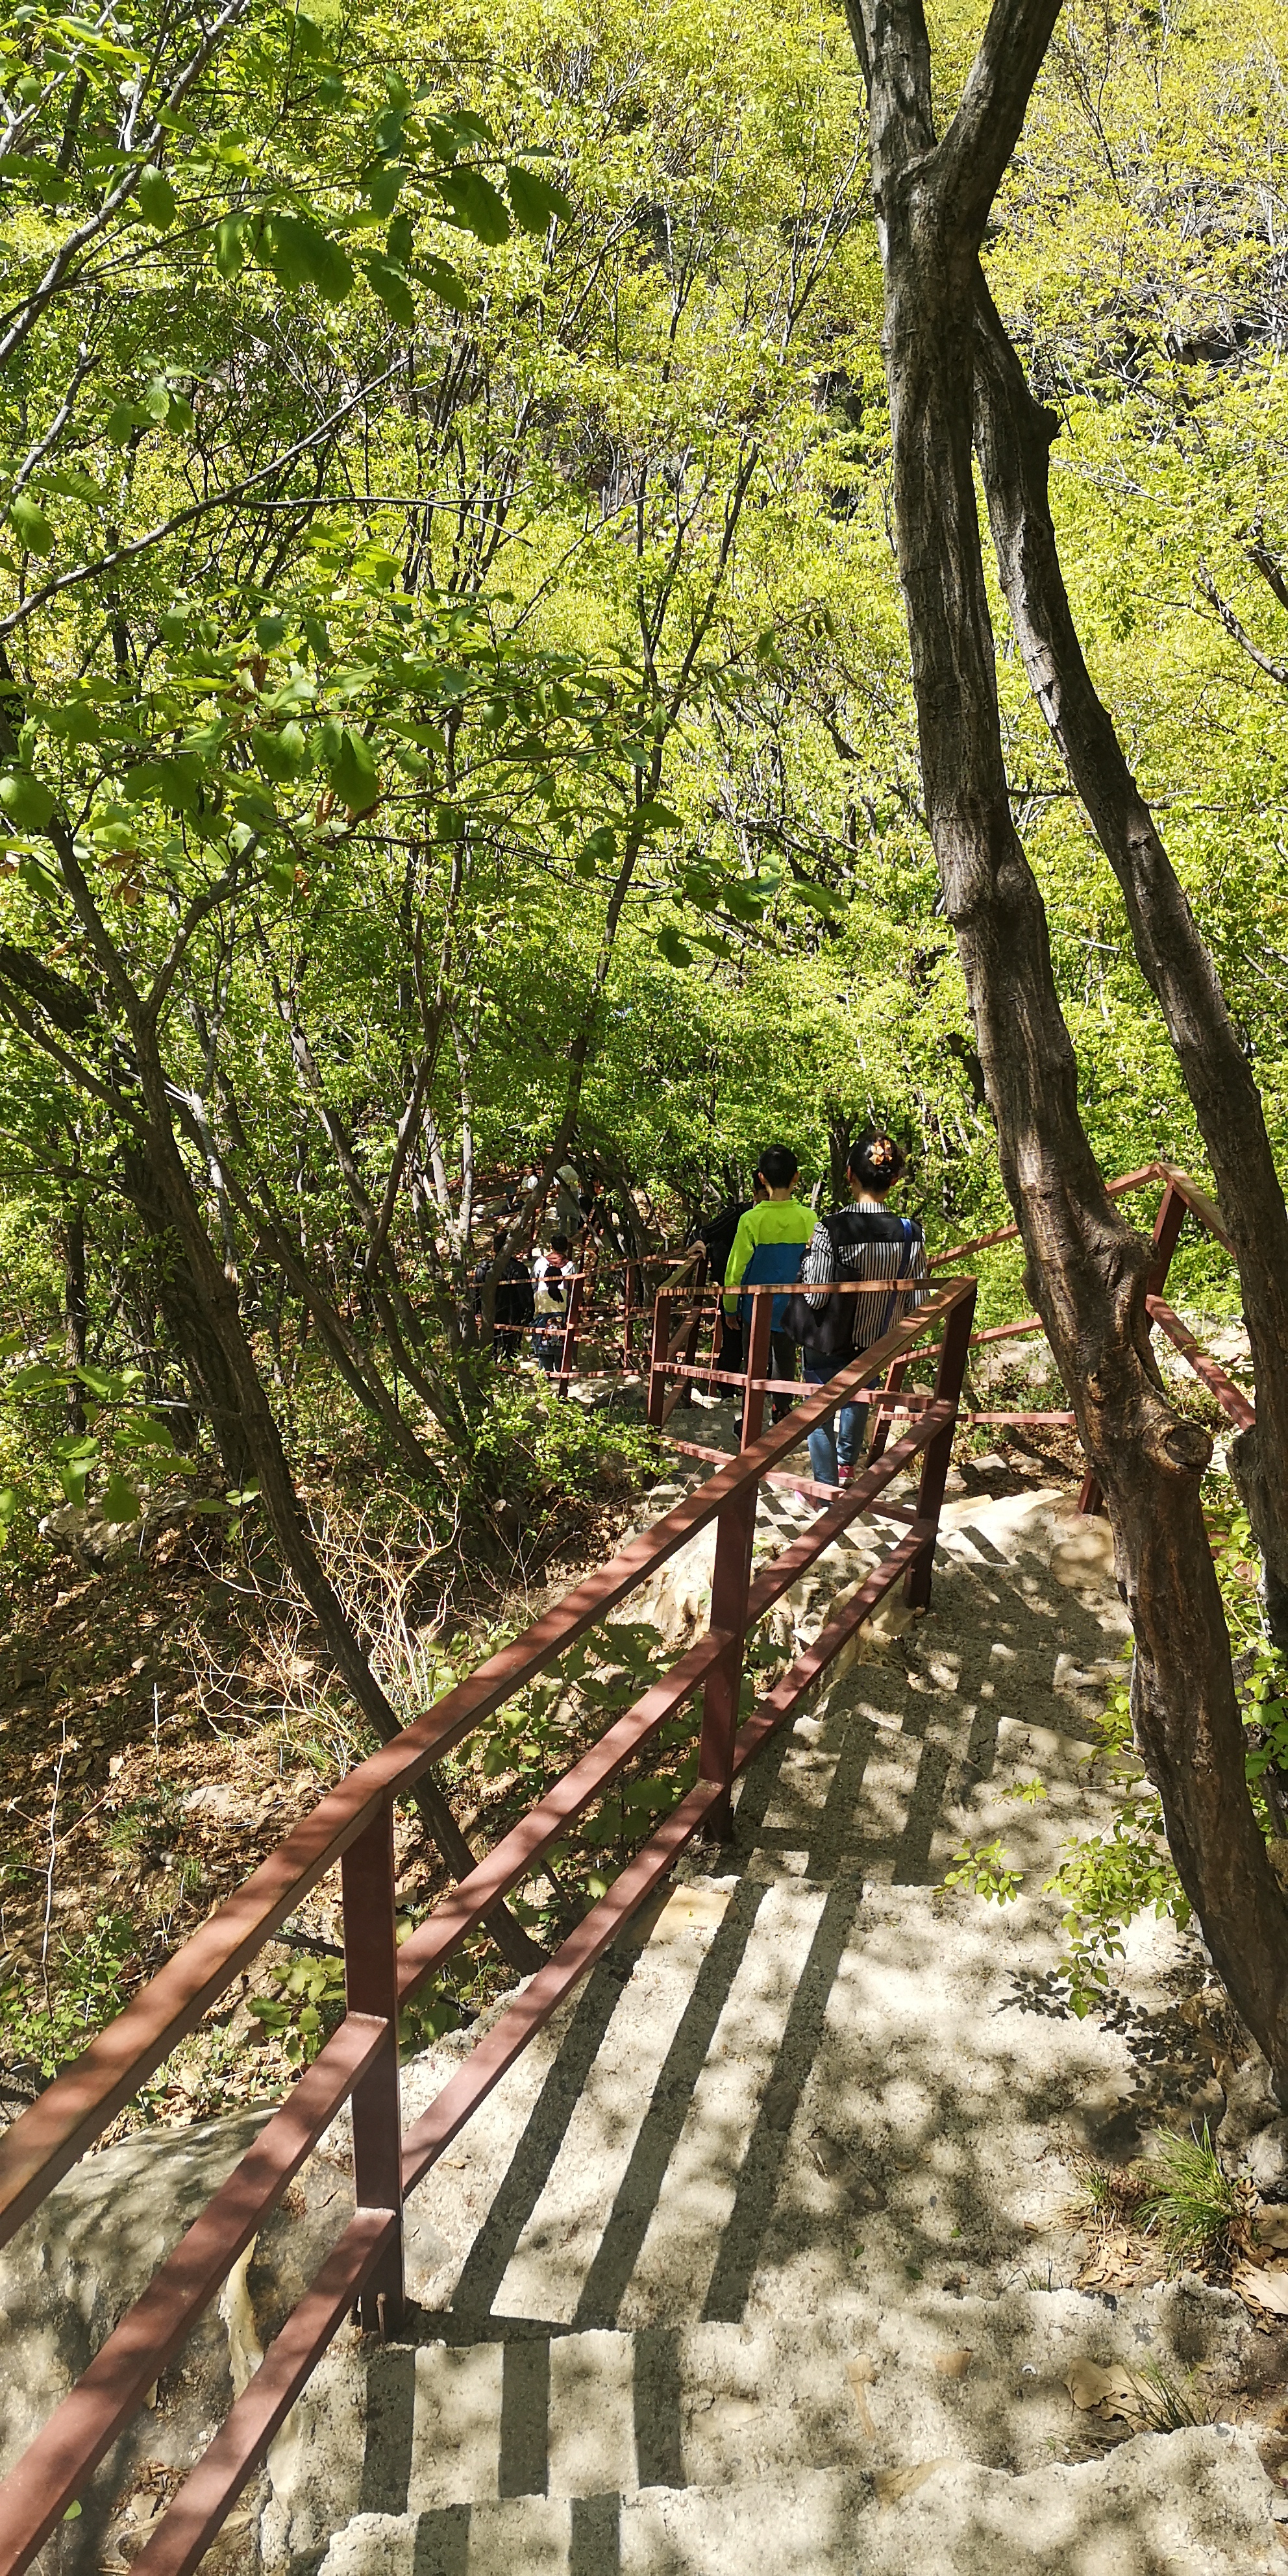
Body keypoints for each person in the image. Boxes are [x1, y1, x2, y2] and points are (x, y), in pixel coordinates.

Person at [793, 1130, 928, 1489]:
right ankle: (846, 1469)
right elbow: (917, 1299)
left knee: (818, 1408)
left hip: (827, 1341)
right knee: (859, 1395)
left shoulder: (831, 1228)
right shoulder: (910, 1232)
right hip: (877, 1339)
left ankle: (823, 1489)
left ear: (850, 1174)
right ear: (894, 1181)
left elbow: (817, 1296)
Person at [723, 1148, 813, 1427]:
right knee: (785, 1359)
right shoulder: (809, 1219)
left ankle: (751, 1415)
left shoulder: (751, 1220)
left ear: (762, 1178)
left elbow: (735, 1268)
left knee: (754, 1360)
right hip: (792, 1308)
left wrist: (730, 1307)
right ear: (796, 1177)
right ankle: (781, 1409)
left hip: (755, 1307)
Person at [473, 1239, 534, 1363]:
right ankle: (508, 1369)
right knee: (510, 1345)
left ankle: (490, 1366)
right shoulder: (519, 1269)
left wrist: (476, 1310)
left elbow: (477, 1292)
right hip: (513, 1311)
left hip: (489, 1311)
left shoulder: (483, 1268)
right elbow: (526, 1295)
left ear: (494, 1248)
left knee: (490, 1343)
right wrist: (528, 1313)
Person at [532, 1232, 573, 1374]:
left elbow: (534, 1283)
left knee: (543, 1348)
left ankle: (544, 1374)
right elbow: (573, 1290)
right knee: (560, 1347)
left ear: (551, 1247)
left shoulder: (540, 1263)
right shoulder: (571, 1266)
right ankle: (562, 1373)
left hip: (543, 1311)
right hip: (562, 1312)